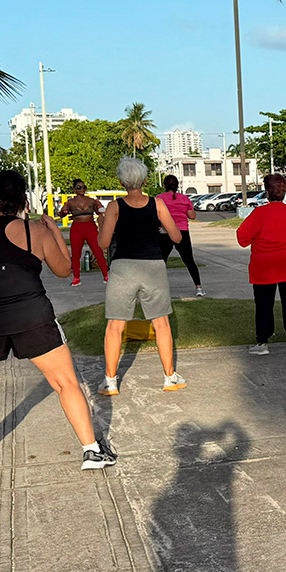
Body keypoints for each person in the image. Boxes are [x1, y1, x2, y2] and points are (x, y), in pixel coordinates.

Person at [0, 169, 116, 485]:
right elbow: (63, 269)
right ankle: (92, 451)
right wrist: (54, 231)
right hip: (32, 317)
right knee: (66, 383)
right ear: (23, 201)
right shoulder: (34, 232)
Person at [96, 157, 185, 396]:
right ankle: (169, 377)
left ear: (122, 182)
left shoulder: (115, 206)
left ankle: (110, 381)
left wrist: (102, 223)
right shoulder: (156, 204)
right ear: (144, 180)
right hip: (153, 265)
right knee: (161, 323)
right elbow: (176, 237)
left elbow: (103, 243)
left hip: (123, 267)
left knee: (115, 325)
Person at [236, 173, 286, 355]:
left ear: (267, 192)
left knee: (264, 303)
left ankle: (262, 342)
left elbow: (242, 238)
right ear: (285, 192)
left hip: (265, 265)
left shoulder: (259, 213)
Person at [157, 175, 205, 296]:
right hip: (182, 231)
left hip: (165, 231)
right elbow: (192, 216)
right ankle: (198, 287)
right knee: (189, 260)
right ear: (177, 186)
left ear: (164, 186)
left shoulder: (159, 198)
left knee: (161, 261)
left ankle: (157, 288)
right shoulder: (184, 199)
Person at [58, 179, 109, 286]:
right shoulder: (70, 202)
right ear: (74, 189)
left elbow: (100, 210)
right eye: (79, 187)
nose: (82, 189)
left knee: (98, 251)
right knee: (76, 253)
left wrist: (100, 208)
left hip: (90, 227)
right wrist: (64, 211)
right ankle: (76, 277)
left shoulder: (91, 201)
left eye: (84, 187)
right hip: (77, 228)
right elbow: (61, 214)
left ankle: (106, 275)